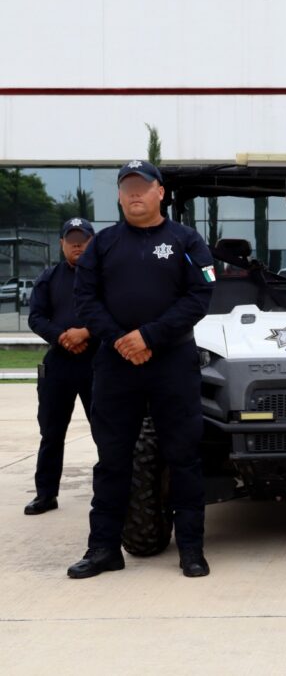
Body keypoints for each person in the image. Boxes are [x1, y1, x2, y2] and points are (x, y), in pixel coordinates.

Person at [67, 160, 216, 579]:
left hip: (172, 363)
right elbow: (85, 299)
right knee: (113, 460)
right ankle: (103, 549)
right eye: (127, 187)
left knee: (183, 457)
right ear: (119, 195)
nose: (135, 193)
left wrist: (148, 336)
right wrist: (120, 339)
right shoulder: (104, 243)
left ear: (160, 192)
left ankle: (191, 550)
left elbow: (200, 294)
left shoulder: (186, 240)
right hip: (116, 365)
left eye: (143, 186)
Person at [24, 218, 96, 515]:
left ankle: (113, 493)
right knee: (52, 432)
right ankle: (46, 494)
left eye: (83, 239)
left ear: (94, 242)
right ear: (62, 244)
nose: (77, 244)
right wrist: (62, 337)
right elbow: (36, 317)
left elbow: (120, 311)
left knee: (107, 433)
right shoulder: (49, 277)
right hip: (60, 365)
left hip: (98, 363)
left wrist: (87, 333)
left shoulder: (106, 277)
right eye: (72, 239)